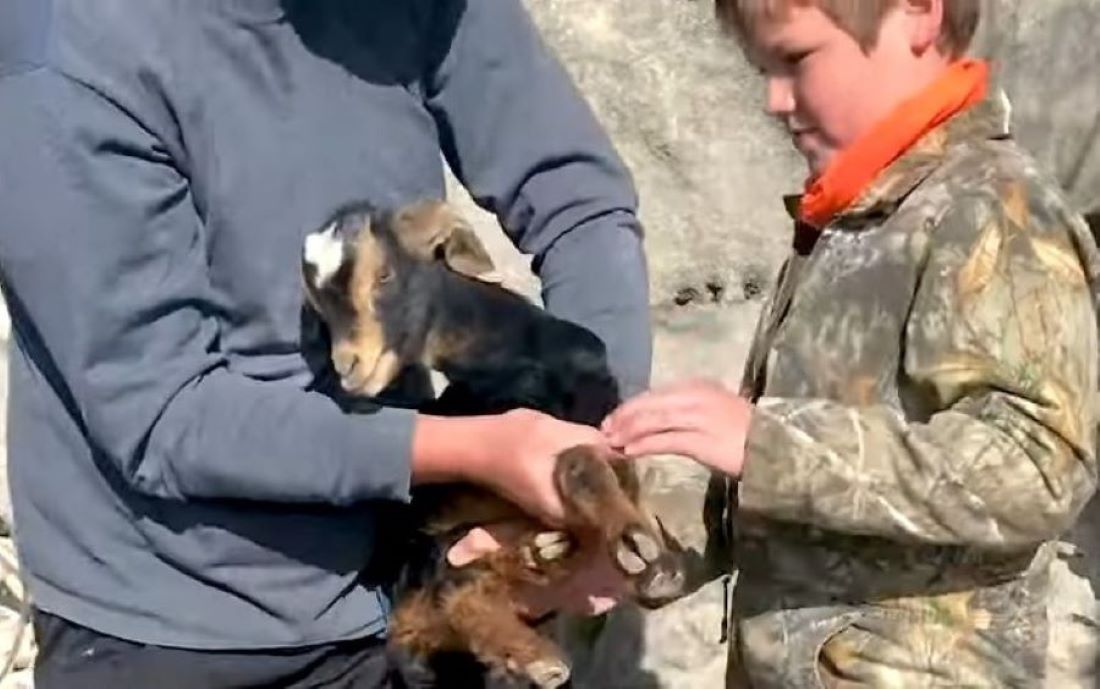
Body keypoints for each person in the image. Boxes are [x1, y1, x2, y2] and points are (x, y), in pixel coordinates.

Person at [0, 0, 647, 686]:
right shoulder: (63, 47)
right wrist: (484, 450)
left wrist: (597, 455)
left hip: (418, 576)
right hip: (180, 627)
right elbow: (164, 414)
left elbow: (577, 200)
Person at [603, 0, 1100, 686]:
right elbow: (787, 487)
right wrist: (625, 541)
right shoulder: (847, 220)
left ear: (919, 14)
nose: (775, 99)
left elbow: (1040, 465)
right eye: (762, 68)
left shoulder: (995, 209)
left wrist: (769, 443)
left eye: (797, 59)